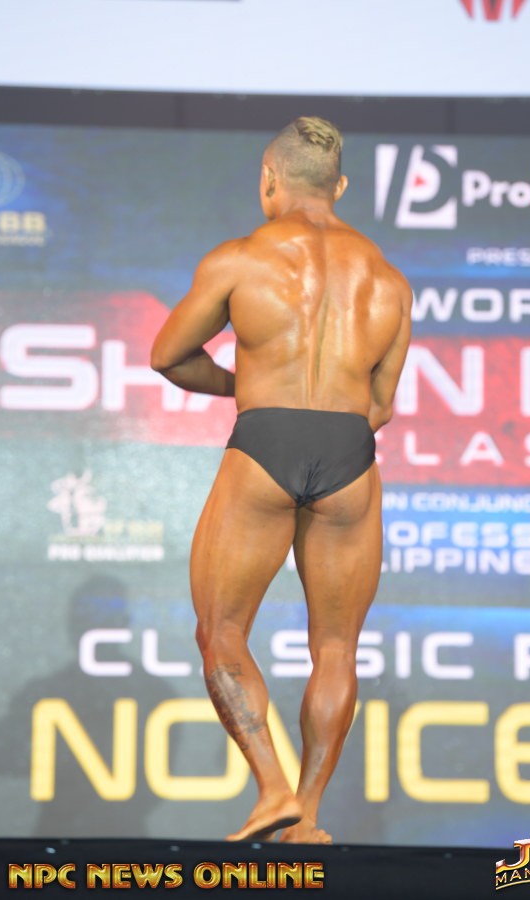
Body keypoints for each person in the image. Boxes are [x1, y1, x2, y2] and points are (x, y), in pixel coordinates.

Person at [151, 117, 412, 844]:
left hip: (266, 441)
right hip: (350, 453)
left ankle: (271, 789)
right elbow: (382, 405)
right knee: (336, 648)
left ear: (269, 180)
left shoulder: (241, 259)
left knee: (222, 630)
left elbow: (168, 355)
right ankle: (310, 818)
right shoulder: (389, 281)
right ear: (341, 186)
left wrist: (248, 387)